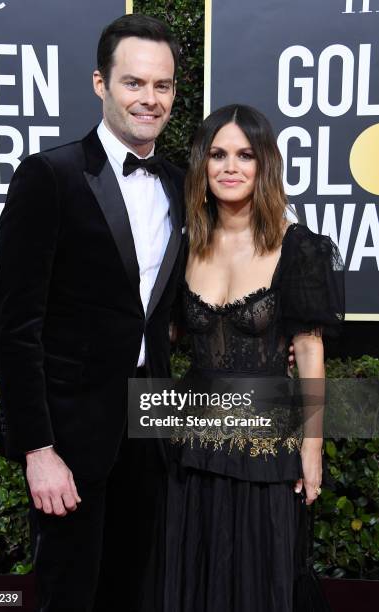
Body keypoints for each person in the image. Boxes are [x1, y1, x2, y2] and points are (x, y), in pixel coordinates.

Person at [0, 14, 185, 612]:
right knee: (69, 594)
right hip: (70, 438)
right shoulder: (49, 176)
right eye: (134, 83)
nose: (149, 99)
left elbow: (168, 306)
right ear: (101, 83)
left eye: (162, 86)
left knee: (133, 589)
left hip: (150, 427)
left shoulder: (180, 184)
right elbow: (14, 327)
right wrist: (38, 449)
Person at [156, 104, 344, 612]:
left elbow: (308, 352)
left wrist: (312, 451)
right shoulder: (184, 243)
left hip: (267, 449)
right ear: (202, 163)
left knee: (261, 578)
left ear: (265, 165)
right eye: (217, 154)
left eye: (245, 154)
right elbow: (167, 332)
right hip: (192, 444)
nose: (230, 167)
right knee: (194, 575)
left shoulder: (297, 247)